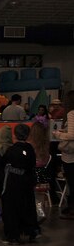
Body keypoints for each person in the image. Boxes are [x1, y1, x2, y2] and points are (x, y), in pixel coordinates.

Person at [1, 124, 37, 244]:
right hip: (27, 179)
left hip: (14, 180)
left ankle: (13, 235)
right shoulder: (30, 148)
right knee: (28, 205)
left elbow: (4, 161)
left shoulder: (12, 150)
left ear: (14, 135)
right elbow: (32, 163)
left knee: (12, 207)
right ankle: (32, 230)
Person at [51, 90, 74, 219]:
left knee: (72, 182)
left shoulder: (71, 113)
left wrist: (58, 134)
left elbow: (72, 135)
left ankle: (72, 209)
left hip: (70, 156)